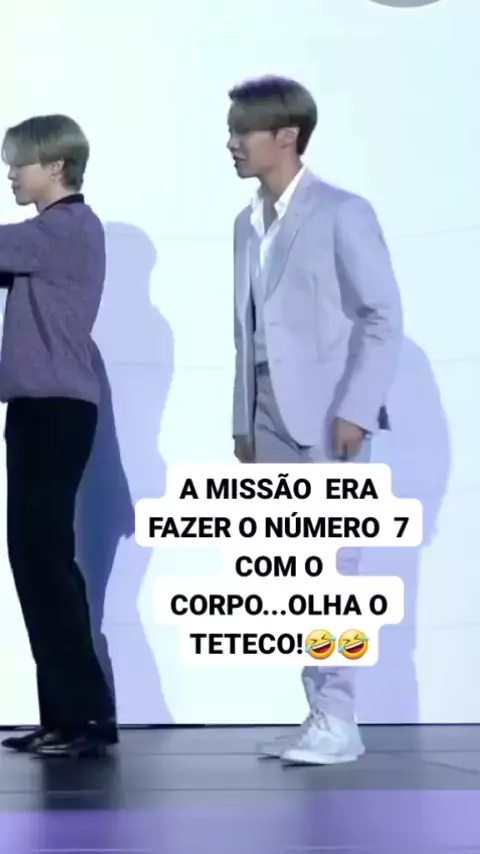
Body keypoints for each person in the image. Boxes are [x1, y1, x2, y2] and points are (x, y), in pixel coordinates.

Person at [228, 76, 403, 765]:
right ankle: (319, 714)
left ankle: (341, 719)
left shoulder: (341, 212)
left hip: (330, 419)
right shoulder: (246, 224)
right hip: (268, 416)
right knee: (297, 577)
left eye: (243, 130)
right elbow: (245, 330)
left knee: (335, 574)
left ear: (287, 136)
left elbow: (382, 316)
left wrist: (357, 408)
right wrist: (243, 419)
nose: (231, 142)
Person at [0, 114, 117, 758]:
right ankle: (68, 718)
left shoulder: (64, 229)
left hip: (55, 414)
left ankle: (83, 718)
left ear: (55, 166)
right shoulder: (47, 238)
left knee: (43, 562)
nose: (11, 175)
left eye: (19, 163)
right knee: (39, 563)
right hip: (39, 413)